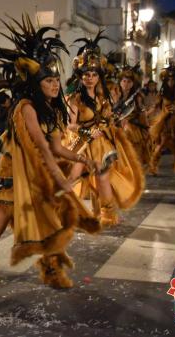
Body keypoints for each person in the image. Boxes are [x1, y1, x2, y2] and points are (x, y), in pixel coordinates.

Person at [0, 18, 100, 301]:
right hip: (14, 176)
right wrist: (62, 179)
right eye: (48, 80)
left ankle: (50, 270)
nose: (54, 84)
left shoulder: (49, 110)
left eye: (55, 80)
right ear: (36, 83)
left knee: (50, 220)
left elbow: (57, 148)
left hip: (35, 174)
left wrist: (82, 159)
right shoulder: (25, 108)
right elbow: (42, 148)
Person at [66, 31, 144, 227]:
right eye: (86, 75)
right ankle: (60, 210)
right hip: (80, 143)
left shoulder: (102, 98)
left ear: (98, 77)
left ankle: (107, 213)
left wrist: (109, 123)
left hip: (100, 144)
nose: (90, 78)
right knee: (71, 178)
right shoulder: (75, 99)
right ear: (81, 77)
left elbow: (107, 119)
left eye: (93, 75)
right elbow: (71, 124)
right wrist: (86, 131)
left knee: (102, 177)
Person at [115, 65, 150, 165]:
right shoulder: (114, 94)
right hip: (115, 123)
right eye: (124, 81)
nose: (126, 84)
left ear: (133, 83)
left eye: (129, 82)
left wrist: (146, 129)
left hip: (132, 125)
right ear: (120, 82)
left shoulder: (137, 97)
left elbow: (142, 112)